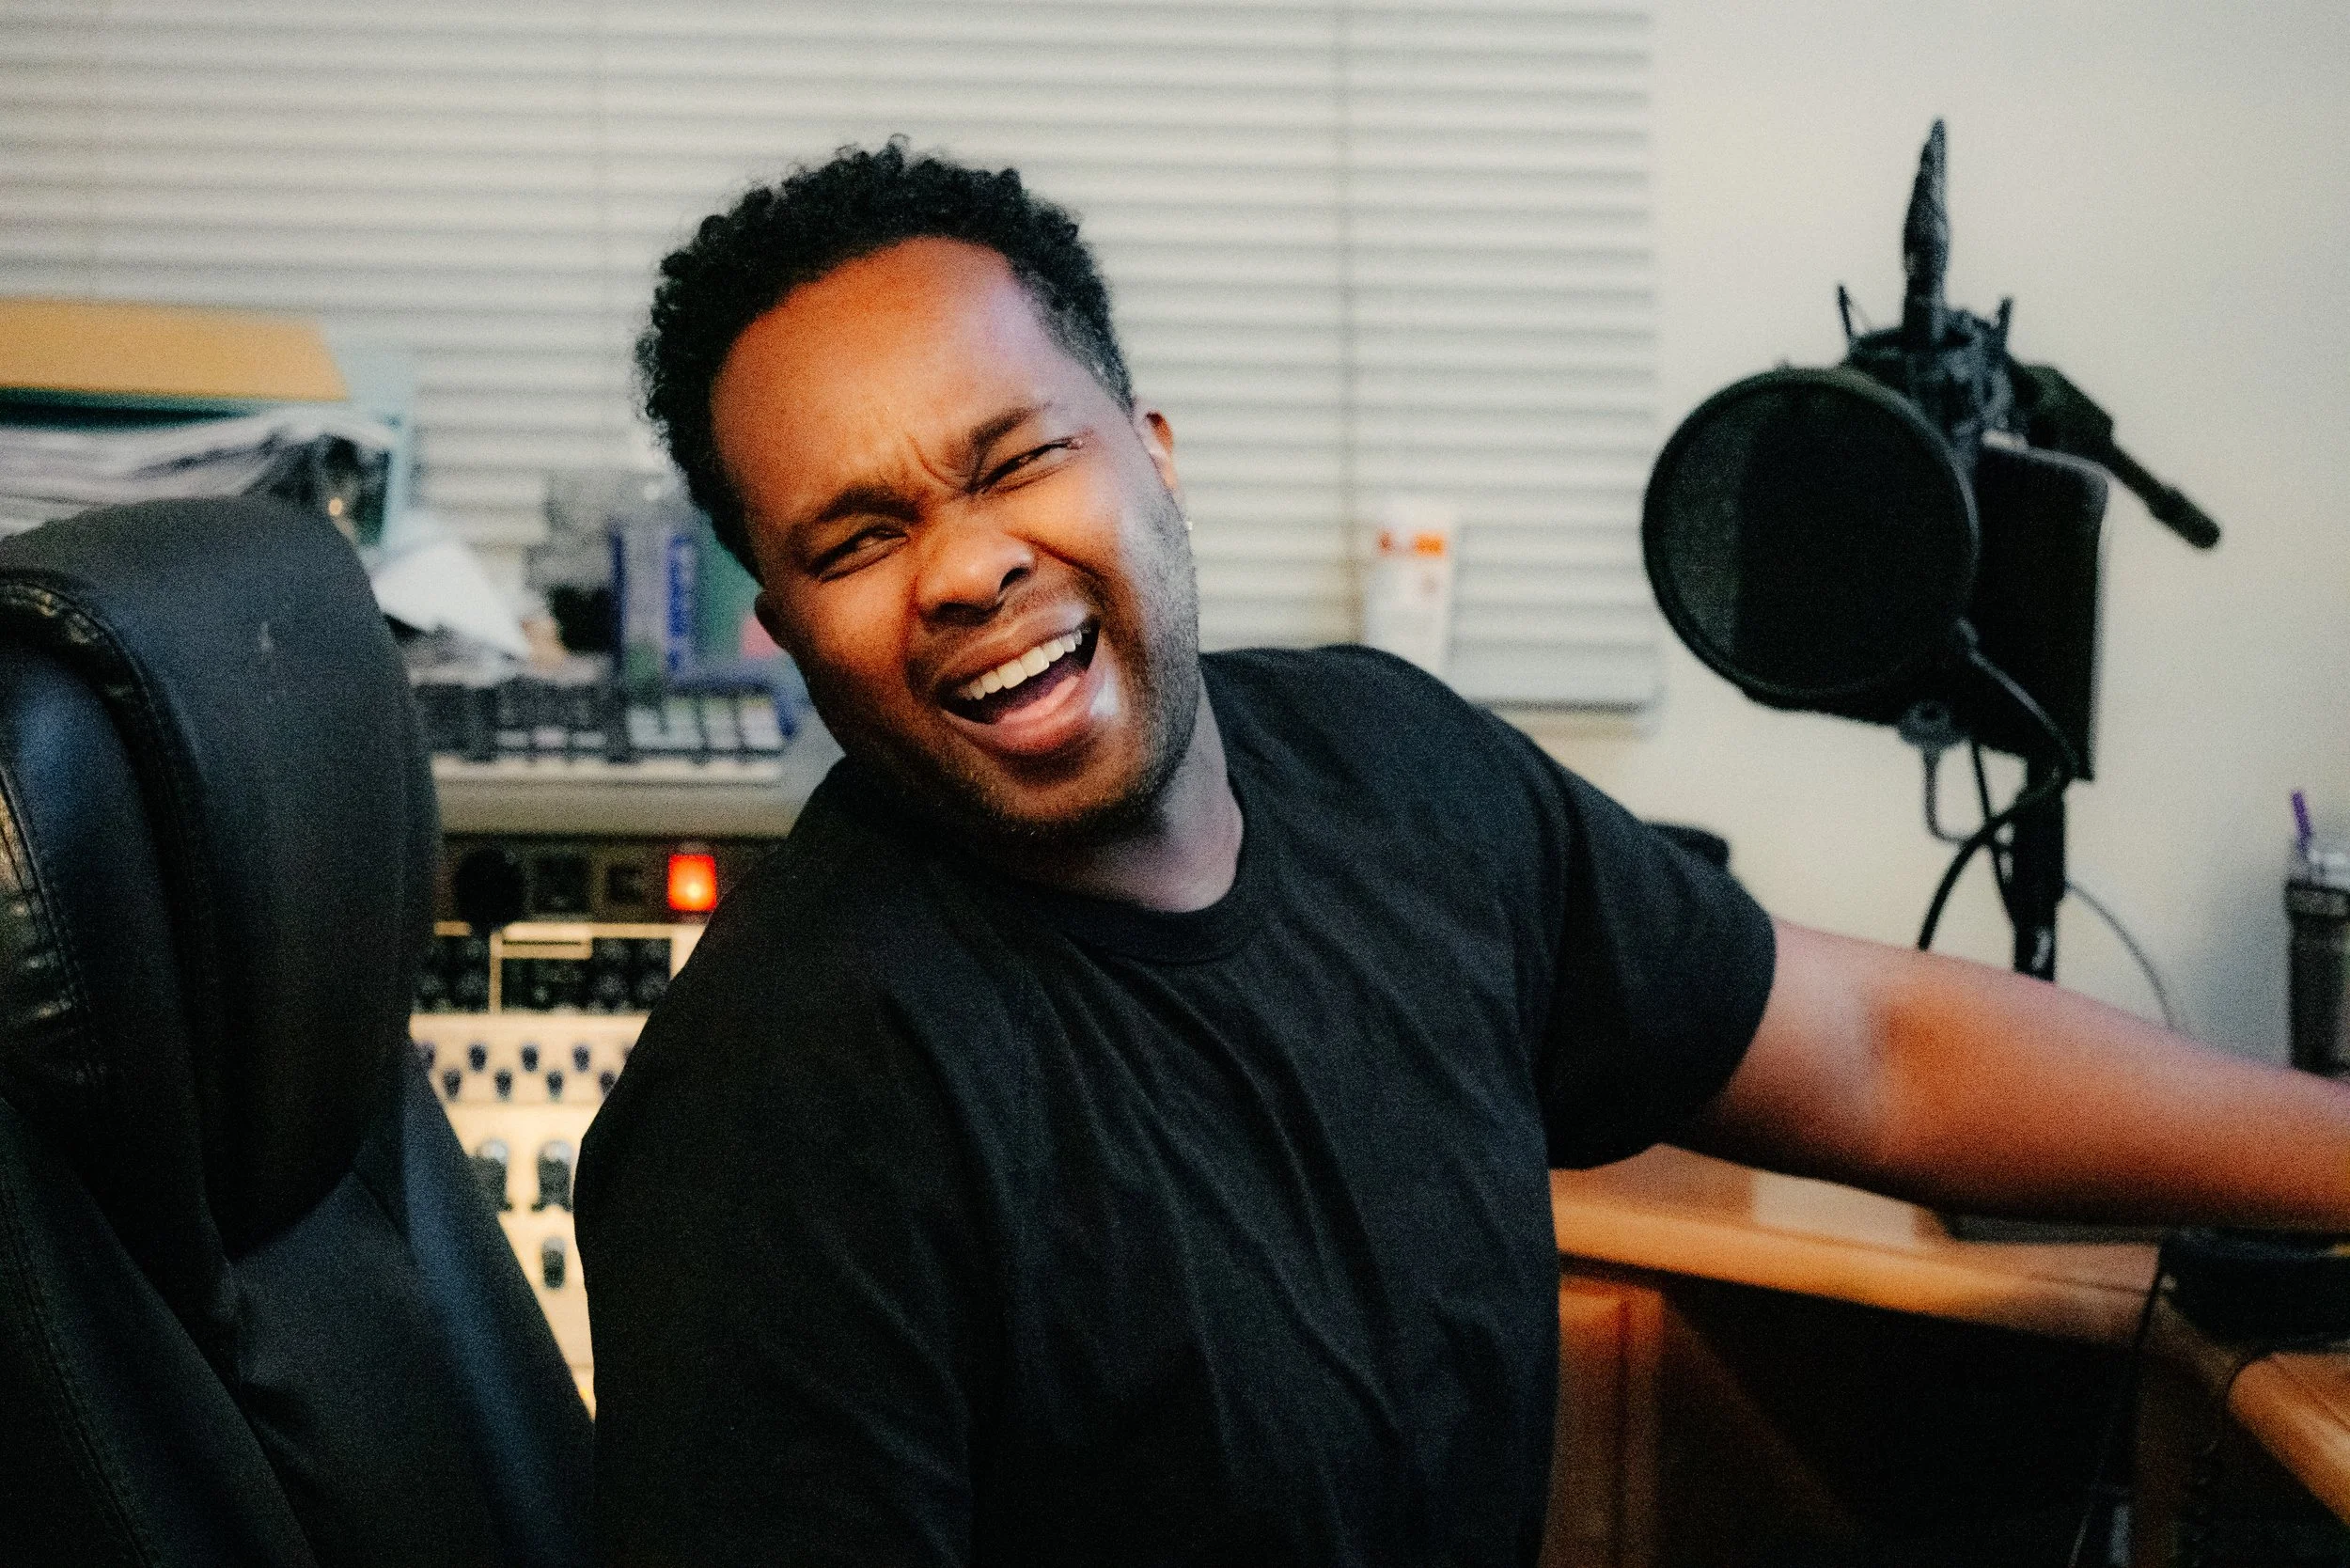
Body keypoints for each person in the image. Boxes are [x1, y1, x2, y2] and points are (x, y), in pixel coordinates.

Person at [574, 143, 2350, 1568]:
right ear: (792, 636)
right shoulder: (781, 1111)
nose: (963, 570)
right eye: (857, 537)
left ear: (1156, 460)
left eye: (1014, 459)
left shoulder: (1394, 771)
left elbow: (1871, 1052)